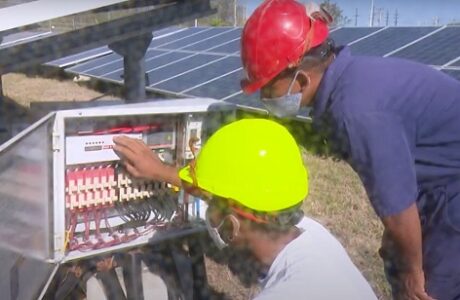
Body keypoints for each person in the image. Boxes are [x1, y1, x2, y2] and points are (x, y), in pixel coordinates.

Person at [238, 1, 460, 300]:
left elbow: (398, 208)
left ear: (301, 79)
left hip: (452, 198)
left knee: (426, 291)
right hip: (439, 185)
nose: (264, 97)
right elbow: (398, 182)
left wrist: (411, 272)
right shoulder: (352, 83)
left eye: (267, 88)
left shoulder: (356, 111)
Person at [126, 118, 378, 298]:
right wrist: (160, 171)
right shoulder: (311, 233)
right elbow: (231, 191)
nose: (207, 210)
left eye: (211, 204)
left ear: (231, 226)